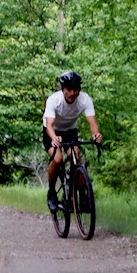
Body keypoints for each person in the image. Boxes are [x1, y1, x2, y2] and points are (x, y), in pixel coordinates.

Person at [43, 70, 102, 211]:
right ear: (62, 89)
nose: (72, 93)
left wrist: (97, 135)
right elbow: (49, 125)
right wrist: (54, 137)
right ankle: (51, 192)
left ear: (79, 90)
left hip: (70, 131)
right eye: (68, 89)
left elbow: (92, 123)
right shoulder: (53, 100)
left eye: (75, 89)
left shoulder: (85, 100)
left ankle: (81, 195)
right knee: (57, 159)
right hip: (52, 131)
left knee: (75, 157)